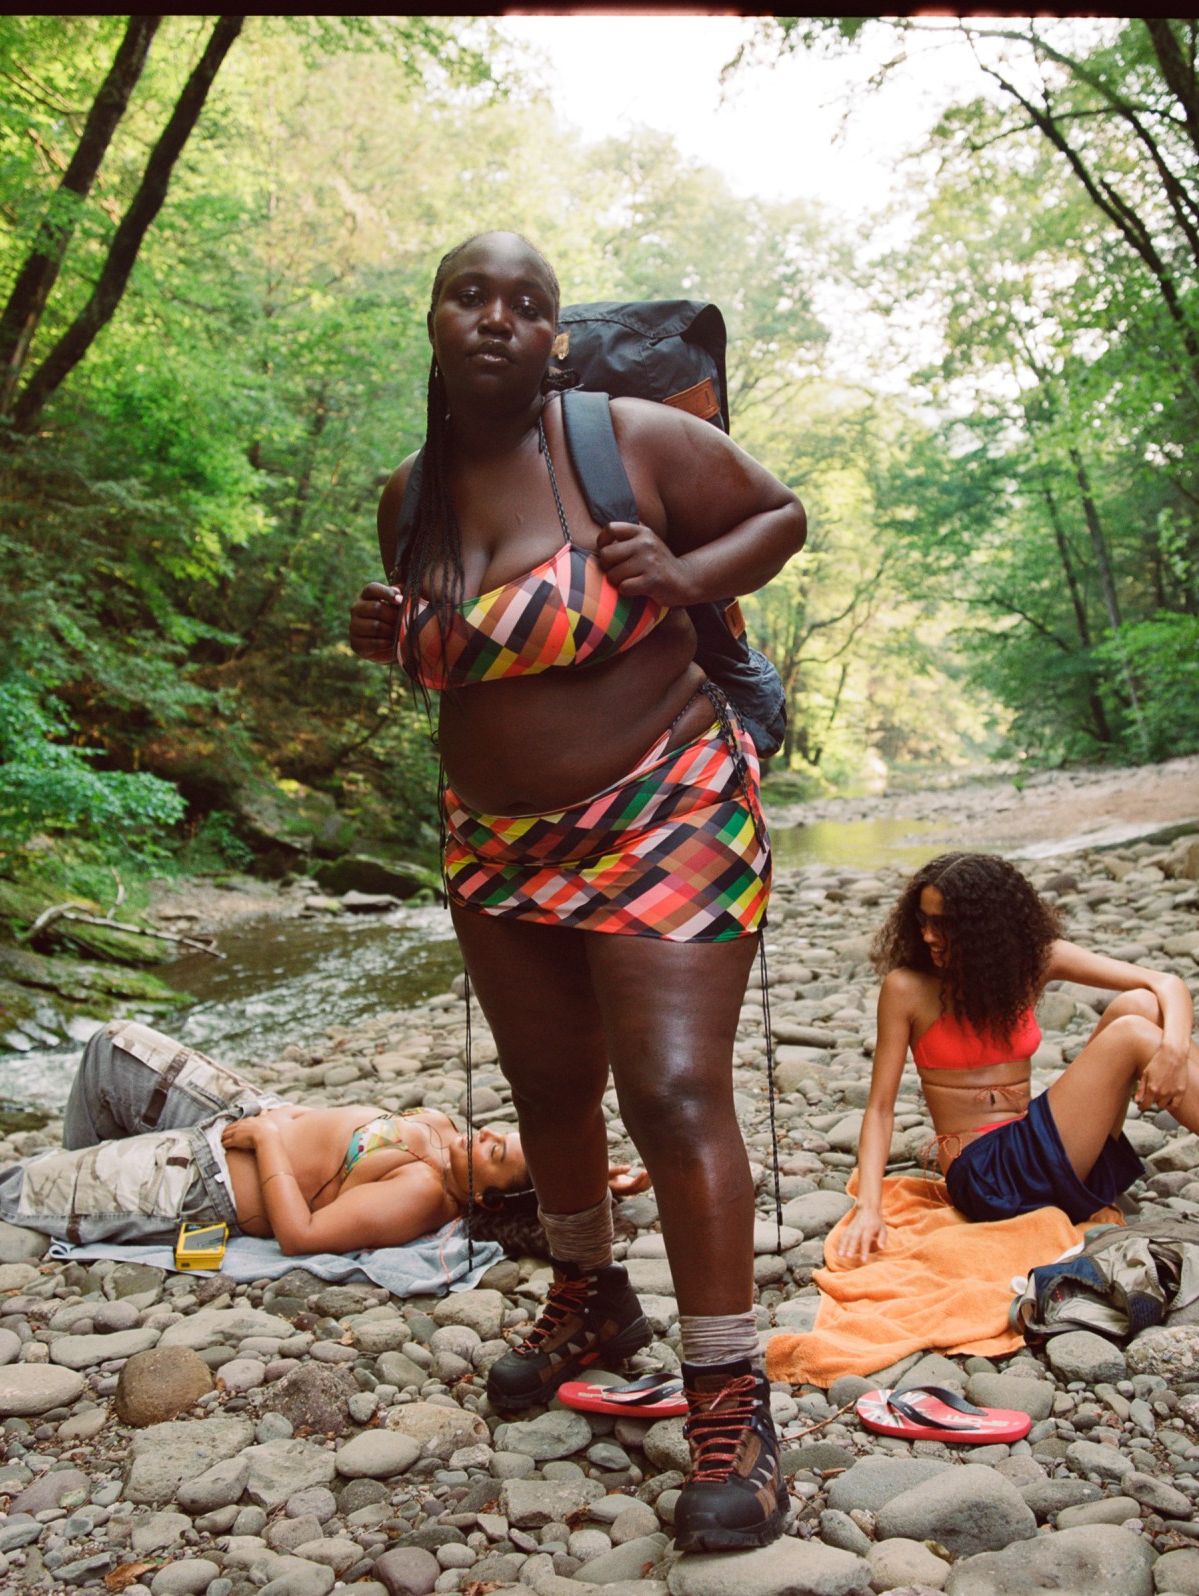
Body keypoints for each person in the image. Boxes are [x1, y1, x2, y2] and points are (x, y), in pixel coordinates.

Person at [347, 230, 805, 1552]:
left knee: (668, 1089)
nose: (497, 316)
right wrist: (398, 644)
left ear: (556, 337)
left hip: (664, 801)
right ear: (432, 319)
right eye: (469, 295)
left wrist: (692, 573)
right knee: (551, 1086)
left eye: (526, 303)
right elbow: (461, 655)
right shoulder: (407, 499)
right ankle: (592, 1298)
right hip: (492, 836)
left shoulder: (627, 440)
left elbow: (780, 514)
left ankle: (729, 1405)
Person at [832, 852, 1199, 1264]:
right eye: (923, 921)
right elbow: (881, 1107)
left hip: (1052, 1152)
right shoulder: (908, 989)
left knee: (1139, 1007)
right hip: (987, 1177)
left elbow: (1167, 983)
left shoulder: (1031, 961)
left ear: (987, 930)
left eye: (945, 926)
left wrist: (1171, 1049)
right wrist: (870, 1208)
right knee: (1133, 1034)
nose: (929, 936)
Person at [0, 1020, 539, 1258]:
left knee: (23, 1182)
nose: (489, 1134)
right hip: (249, 1114)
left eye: (497, 1154)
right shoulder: (444, 1138)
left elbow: (303, 1236)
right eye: (504, 1133)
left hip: (210, 1180)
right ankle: (84, 1178)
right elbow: (558, 1181)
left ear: (485, 1200)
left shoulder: (418, 1193)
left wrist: (268, 1144)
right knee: (111, 1046)